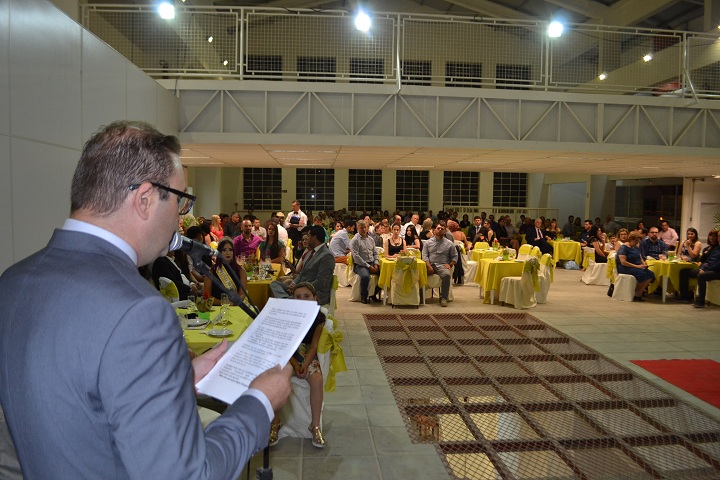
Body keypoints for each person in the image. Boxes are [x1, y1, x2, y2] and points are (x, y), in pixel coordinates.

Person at [0, 121, 292, 479]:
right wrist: (259, 403)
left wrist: (173, 381)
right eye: (181, 201)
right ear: (144, 200)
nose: (180, 219)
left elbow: (75, 404)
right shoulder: (140, 311)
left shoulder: (13, 281)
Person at [269, 282, 328, 449]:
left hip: (306, 354)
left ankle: (314, 426)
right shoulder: (287, 316)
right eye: (298, 297)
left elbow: (314, 345)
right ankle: (276, 422)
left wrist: (305, 364)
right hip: (288, 355)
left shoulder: (319, 318)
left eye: (307, 296)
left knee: (316, 379)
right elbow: (284, 345)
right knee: (278, 378)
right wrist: (295, 365)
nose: (302, 300)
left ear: (315, 298)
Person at [270, 226, 335, 306]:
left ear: (314, 237)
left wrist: (298, 288)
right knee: (274, 284)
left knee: (284, 294)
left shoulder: (326, 256)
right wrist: (293, 284)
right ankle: (286, 300)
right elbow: (301, 274)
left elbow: (321, 282)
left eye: (309, 236)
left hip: (314, 293)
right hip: (300, 288)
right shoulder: (310, 252)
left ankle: (286, 301)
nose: (307, 239)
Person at [677, 230, 720, 307]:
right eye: (711, 236)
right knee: (684, 272)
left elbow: (716, 264)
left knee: (701, 276)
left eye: (715, 236)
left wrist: (704, 269)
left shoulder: (716, 248)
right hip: (707, 268)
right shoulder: (713, 248)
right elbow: (705, 260)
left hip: (716, 271)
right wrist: (701, 266)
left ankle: (701, 302)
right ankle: (684, 296)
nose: (713, 238)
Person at [422, 222, 458, 307]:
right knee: (419, 273)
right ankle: (420, 296)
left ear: (445, 231)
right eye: (438, 228)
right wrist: (429, 266)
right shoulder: (427, 243)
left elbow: (455, 256)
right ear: (434, 230)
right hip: (430, 265)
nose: (440, 230)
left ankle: (443, 298)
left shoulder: (449, 243)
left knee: (446, 275)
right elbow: (424, 256)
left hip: (442, 266)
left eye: (442, 229)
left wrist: (450, 264)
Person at [204, 237, 248, 305]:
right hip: (217, 308)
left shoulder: (241, 271)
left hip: (235, 307)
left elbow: (242, 294)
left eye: (230, 250)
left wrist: (233, 303)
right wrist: (224, 303)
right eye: (224, 250)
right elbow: (207, 296)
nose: (228, 253)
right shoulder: (212, 271)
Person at [617, 231, 655, 301]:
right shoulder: (623, 248)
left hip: (637, 266)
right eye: (636, 241)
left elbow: (640, 257)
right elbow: (623, 262)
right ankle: (637, 292)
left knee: (651, 274)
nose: (637, 243)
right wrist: (637, 266)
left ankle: (638, 292)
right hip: (626, 267)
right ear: (631, 239)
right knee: (642, 274)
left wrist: (644, 264)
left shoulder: (635, 247)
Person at [350, 219, 380, 304]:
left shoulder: (370, 239)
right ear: (357, 228)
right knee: (365, 276)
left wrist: (376, 264)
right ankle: (364, 296)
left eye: (365, 228)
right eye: (361, 228)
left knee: (384, 275)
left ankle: (374, 293)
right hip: (360, 265)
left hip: (372, 262)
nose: (363, 230)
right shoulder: (355, 240)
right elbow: (356, 257)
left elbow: (375, 253)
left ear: (367, 228)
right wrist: (368, 266)